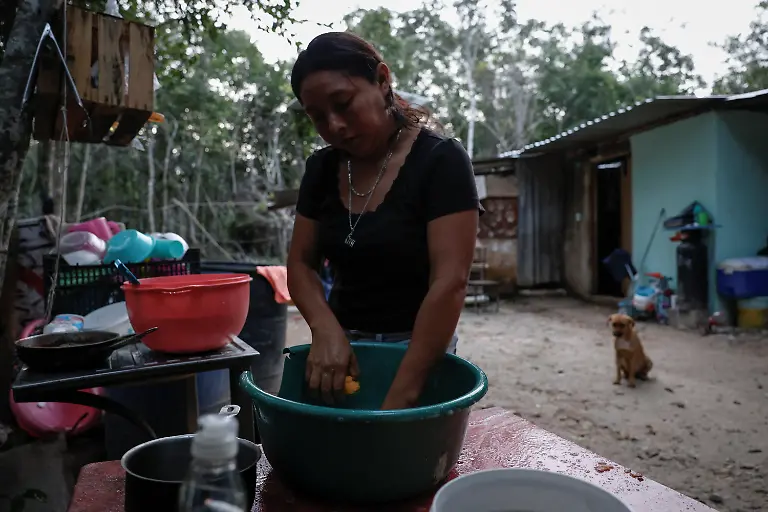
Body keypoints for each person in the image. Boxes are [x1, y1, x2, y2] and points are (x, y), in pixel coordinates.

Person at [287, 32, 481, 410]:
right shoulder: (321, 169)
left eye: (343, 104)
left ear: (381, 80)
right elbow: (300, 264)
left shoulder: (441, 161)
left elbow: (450, 282)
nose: (335, 125)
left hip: (418, 348)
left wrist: (401, 397)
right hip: (342, 347)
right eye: (318, 117)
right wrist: (325, 330)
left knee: (406, 459)